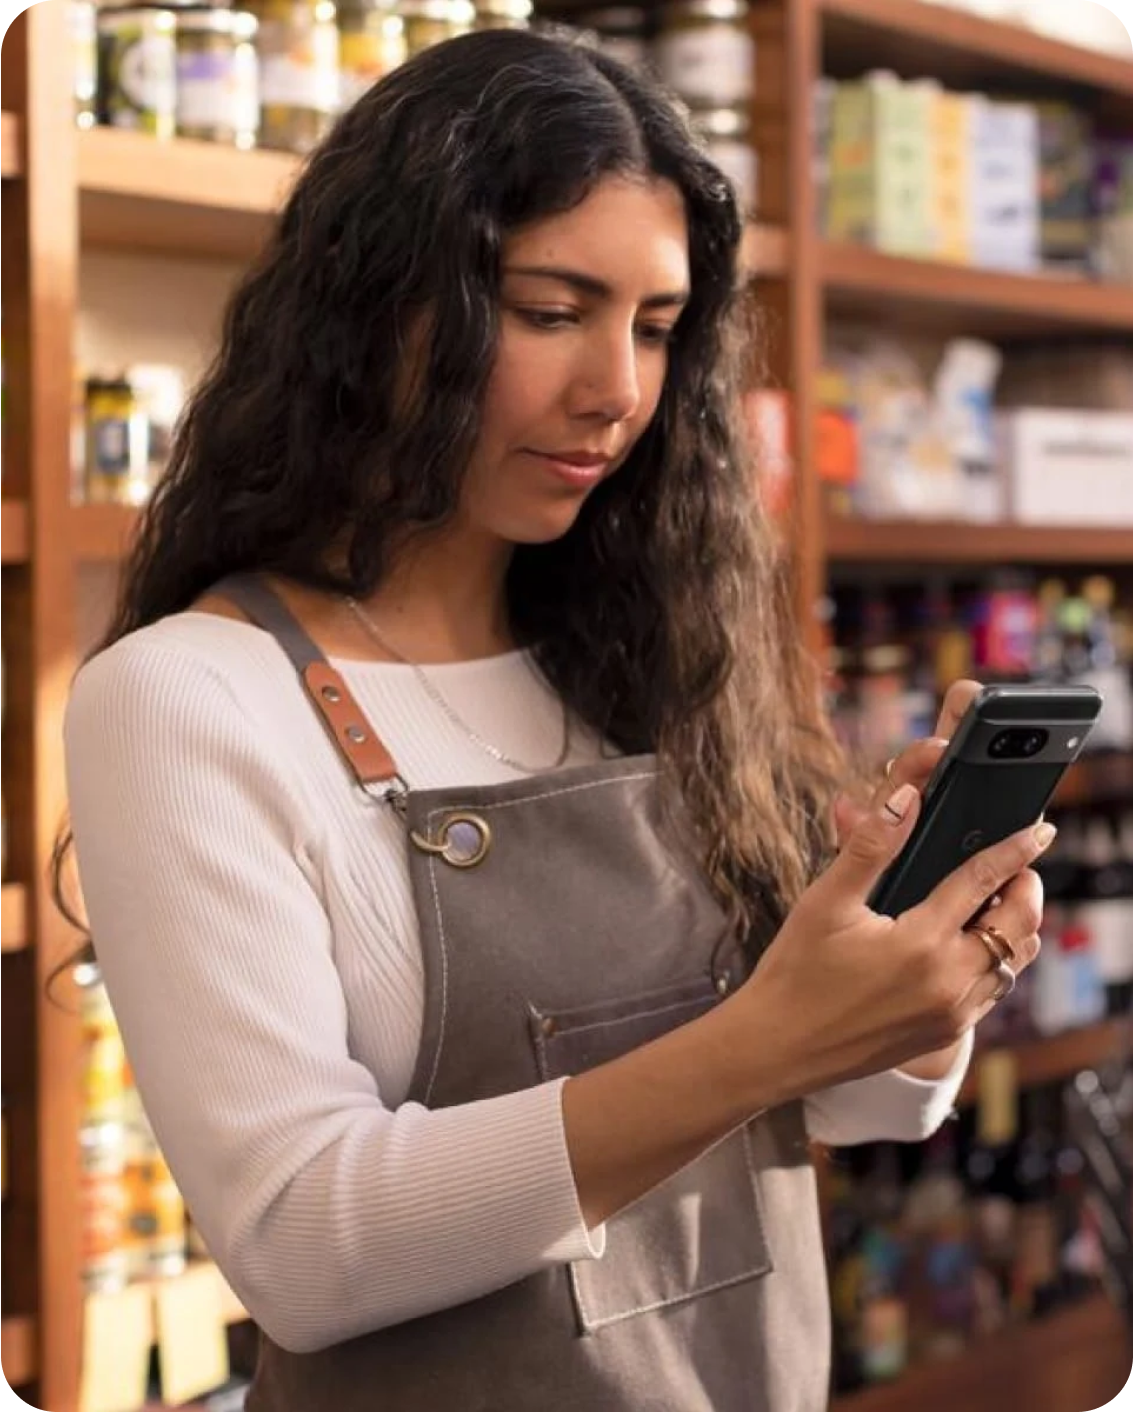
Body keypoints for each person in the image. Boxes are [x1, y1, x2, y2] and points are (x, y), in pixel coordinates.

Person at [62, 28, 1049, 1412]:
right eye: (548, 311)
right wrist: (767, 1033)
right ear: (375, 307)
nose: (619, 392)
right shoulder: (188, 698)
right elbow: (302, 1243)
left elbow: (844, 1109)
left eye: (655, 327)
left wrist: (926, 976)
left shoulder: (644, 662)